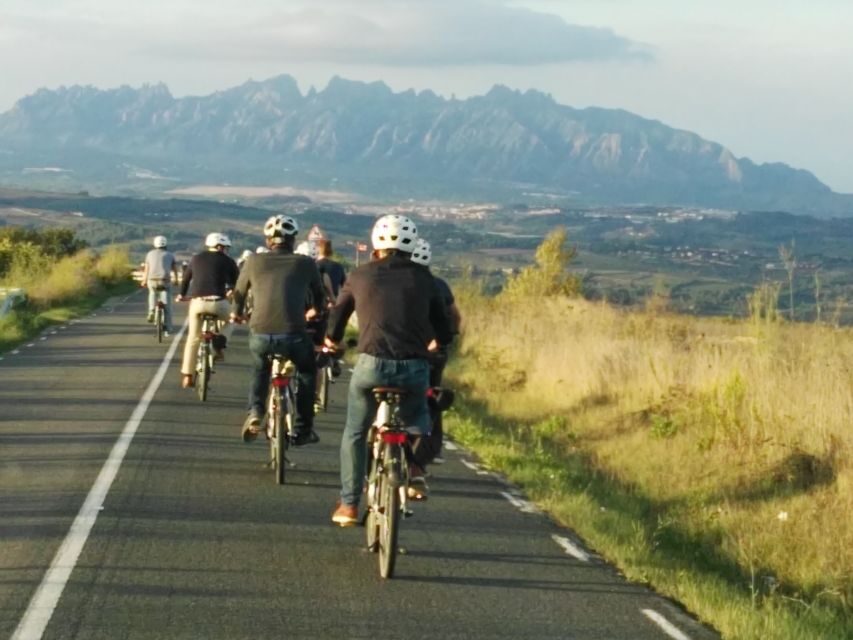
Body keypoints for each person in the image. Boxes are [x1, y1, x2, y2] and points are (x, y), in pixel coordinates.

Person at [325, 215, 453, 526]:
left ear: (375, 245)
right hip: (413, 368)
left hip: (370, 366)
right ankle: (412, 473)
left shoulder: (359, 275)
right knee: (418, 422)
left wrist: (331, 341)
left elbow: (337, 317)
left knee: (355, 431)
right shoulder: (426, 279)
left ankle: (350, 504)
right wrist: (435, 344)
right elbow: (445, 330)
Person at [231, 215, 327, 445]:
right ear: (293, 240)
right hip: (294, 333)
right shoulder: (305, 263)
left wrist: (237, 313)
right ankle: (303, 428)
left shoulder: (253, 261)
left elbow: (239, 293)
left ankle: (255, 412)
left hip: (260, 332)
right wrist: (314, 311)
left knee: (259, 369)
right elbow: (320, 297)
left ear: (268, 241)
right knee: (306, 373)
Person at [409, 238, 461, 474]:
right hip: (434, 352)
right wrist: (447, 340)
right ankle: (431, 448)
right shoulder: (439, 285)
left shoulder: (403, 283)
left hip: (405, 351)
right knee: (432, 397)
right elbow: (454, 316)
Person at [176, 233, 239, 389]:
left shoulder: (196, 258)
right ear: (220, 247)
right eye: (225, 248)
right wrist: (231, 291)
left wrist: (181, 295)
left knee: (193, 338)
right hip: (219, 303)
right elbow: (236, 283)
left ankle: (188, 376)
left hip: (198, 303)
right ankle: (220, 340)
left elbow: (186, 279)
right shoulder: (228, 261)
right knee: (231, 320)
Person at [141, 235, 179, 335]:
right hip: (165, 281)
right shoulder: (170, 255)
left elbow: (147, 269)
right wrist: (176, 280)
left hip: (152, 280)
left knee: (152, 292)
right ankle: (168, 328)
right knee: (167, 305)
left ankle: (151, 310)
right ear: (165, 244)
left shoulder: (149, 254)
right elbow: (174, 269)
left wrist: (144, 281)